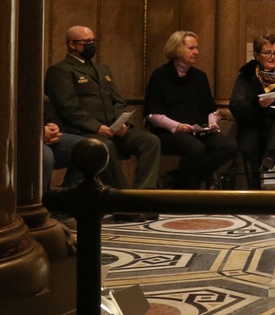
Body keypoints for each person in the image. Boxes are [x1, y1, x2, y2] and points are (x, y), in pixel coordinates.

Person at [45, 25, 161, 191]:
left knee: (150, 141)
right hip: (84, 131)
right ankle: (121, 201)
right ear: (72, 44)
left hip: (112, 129)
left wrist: (122, 123)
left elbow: (118, 100)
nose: (91, 44)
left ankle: (144, 195)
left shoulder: (102, 68)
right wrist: (97, 127)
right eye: (86, 42)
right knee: (104, 146)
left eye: (93, 40)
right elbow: (67, 108)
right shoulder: (60, 70)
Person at [144, 31, 238, 189]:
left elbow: (210, 108)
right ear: (177, 49)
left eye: (197, 48)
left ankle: (178, 181)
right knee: (195, 148)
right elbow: (153, 114)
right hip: (168, 132)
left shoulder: (199, 77)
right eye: (191, 48)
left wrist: (212, 123)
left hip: (198, 130)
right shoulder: (160, 76)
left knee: (229, 146)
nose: (196, 52)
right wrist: (178, 126)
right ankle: (185, 188)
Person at [229, 34, 275, 188]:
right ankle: (270, 159)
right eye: (267, 53)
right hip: (255, 128)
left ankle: (270, 157)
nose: (272, 57)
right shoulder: (246, 78)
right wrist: (258, 105)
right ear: (256, 55)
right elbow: (237, 107)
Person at [42, 98, 85, 191]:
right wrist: (38, 132)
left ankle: (65, 202)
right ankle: (40, 202)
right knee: (44, 156)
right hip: (18, 139)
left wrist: (53, 125)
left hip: (46, 134)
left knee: (85, 149)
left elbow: (44, 106)